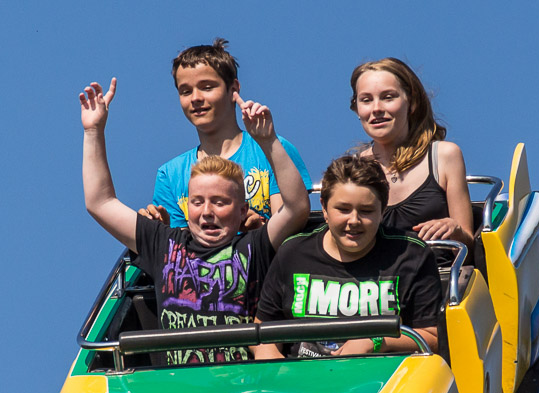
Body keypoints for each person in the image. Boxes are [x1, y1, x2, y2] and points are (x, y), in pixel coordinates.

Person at [79, 78, 309, 365]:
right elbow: (100, 202)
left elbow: (297, 207)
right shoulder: (163, 243)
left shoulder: (255, 246)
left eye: (220, 202)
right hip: (181, 391)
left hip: (239, 388)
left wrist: (268, 141)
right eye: (198, 202)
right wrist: (93, 130)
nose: (207, 211)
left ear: (242, 211)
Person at [253, 155, 442, 359]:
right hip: (300, 383)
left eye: (366, 211)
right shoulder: (292, 252)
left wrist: (376, 342)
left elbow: (433, 338)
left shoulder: (411, 254)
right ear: (324, 207)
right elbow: (263, 332)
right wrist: (272, 361)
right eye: (343, 209)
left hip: (386, 384)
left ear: (383, 210)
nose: (354, 221)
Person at [145, 39, 311, 229]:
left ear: (233, 89)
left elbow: (291, 225)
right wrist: (159, 231)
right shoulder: (170, 174)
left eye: (207, 87)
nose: (196, 98)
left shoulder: (273, 149)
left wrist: (258, 229)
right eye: (185, 91)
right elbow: (178, 251)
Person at [350, 58, 473, 254]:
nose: (376, 109)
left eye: (388, 97)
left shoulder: (444, 156)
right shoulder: (351, 170)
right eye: (366, 100)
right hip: (377, 282)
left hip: (437, 278)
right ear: (357, 109)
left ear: (412, 102)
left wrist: (454, 229)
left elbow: (468, 243)